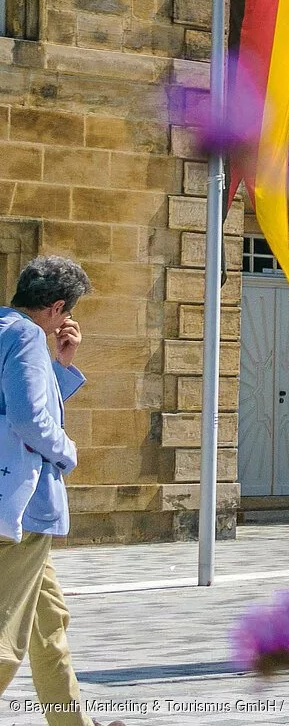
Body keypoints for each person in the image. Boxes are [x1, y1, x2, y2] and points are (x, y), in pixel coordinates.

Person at [0, 256, 93, 724]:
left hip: (8, 499)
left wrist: (60, 365)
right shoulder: (25, 335)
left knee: (48, 623)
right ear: (58, 307)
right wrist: (68, 451)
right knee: (6, 641)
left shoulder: (3, 327)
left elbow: (12, 401)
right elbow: (29, 418)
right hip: (22, 506)